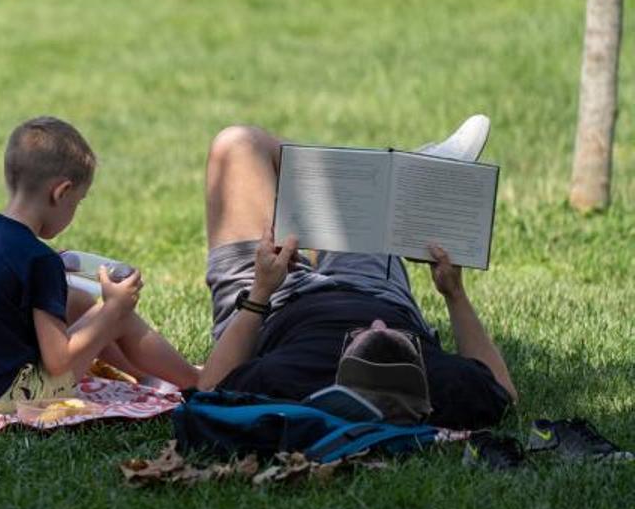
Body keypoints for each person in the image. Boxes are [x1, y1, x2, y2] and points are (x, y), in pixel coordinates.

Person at [196, 117, 517, 429]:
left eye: (369, 340)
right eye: (391, 340)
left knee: (236, 145)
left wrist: (260, 291)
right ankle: (414, 175)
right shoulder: (442, 383)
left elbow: (208, 392)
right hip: (375, 292)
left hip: (273, 305)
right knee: (371, 202)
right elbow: (505, 394)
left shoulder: (287, 379)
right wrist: (454, 293)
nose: (377, 325)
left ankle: (410, 174)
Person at [0, 116, 199, 413]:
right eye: (78, 201)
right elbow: (58, 362)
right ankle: (195, 381)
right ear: (61, 192)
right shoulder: (39, 260)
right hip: (8, 398)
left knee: (78, 301)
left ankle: (146, 376)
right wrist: (113, 308)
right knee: (117, 314)